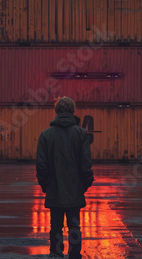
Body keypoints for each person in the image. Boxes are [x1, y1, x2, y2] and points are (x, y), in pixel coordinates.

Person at [36, 96, 94, 259]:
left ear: (57, 111)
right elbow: (86, 163)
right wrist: (84, 185)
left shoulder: (46, 135)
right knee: (74, 226)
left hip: (54, 188)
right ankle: (75, 255)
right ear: (72, 110)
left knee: (55, 226)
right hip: (75, 189)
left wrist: (46, 185)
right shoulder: (81, 133)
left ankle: (56, 253)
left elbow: (41, 165)